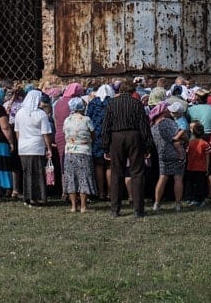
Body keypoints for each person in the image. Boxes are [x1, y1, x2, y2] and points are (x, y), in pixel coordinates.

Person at [102, 79, 154, 218]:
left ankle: (115, 209)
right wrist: (147, 146)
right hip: (134, 137)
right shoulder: (137, 104)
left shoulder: (112, 103)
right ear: (133, 91)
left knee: (116, 173)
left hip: (116, 137)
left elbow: (106, 125)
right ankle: (138, 209)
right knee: (137, 172)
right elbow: (144, 126)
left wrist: (105, 146)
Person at [15, 89, 52, 207]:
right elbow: (45, 133)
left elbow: (17, 131)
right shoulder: (41, 114)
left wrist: (21, 142)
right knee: (38, 173)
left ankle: (27, 196)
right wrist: (49, 148)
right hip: (36, 146)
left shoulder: (19, 113)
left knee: (27, 172)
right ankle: (37, 197)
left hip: (23, 146)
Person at [150, 101, 187, 212]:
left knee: (163, 177)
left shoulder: (153, 125)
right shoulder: (167, 122)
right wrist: (184, 139)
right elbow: (179, 135)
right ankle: (178, 204)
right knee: (178, 178)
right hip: (175, 153)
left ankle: (157, 203)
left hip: (162, 153)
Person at [62, 97, 96, 212]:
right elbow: (92, 134)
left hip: (70, 151)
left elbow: (64, 133)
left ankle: (73, 206)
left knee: (71, 178)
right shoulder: (86, 119)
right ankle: (83, 206)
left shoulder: (67, 120)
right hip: (84, 151)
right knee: (84, 177)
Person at [184, 121, 211, 206]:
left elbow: (187, 153)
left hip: (190, 167)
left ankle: (190, 198)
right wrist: (207, 168)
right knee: (200, 184)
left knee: (190, 184)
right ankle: (200, 199)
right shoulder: (205, 144)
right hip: (201, 167)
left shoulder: (190, 143)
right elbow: (207, 157)